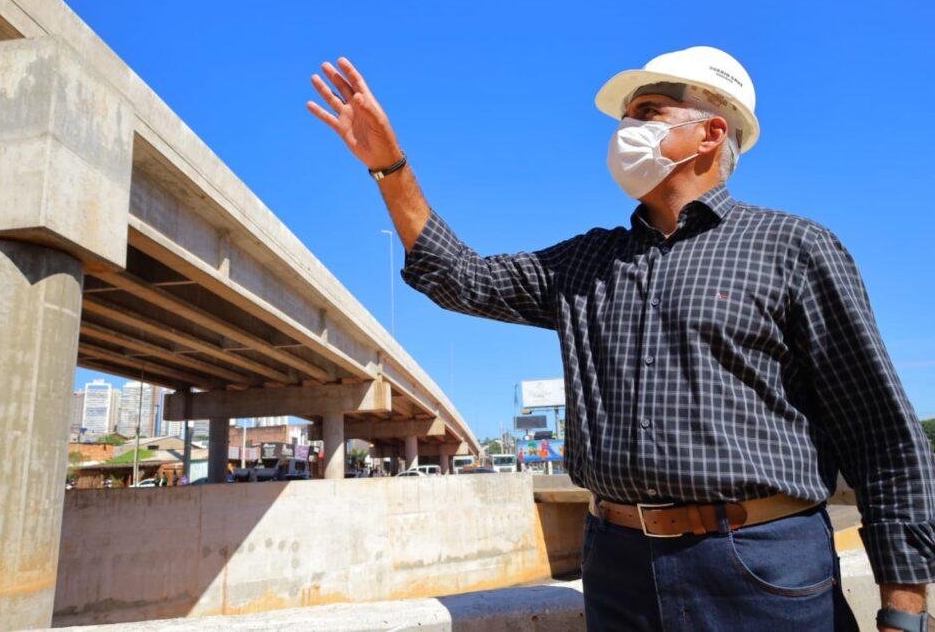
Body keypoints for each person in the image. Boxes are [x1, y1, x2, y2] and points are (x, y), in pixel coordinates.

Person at [307, 47, 935, 631]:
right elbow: (460, 278)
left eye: (648, 113)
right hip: (616, 565)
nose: (625, 131)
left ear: (711, 133)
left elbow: (880, 435)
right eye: (626, 118)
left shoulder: (793, 248)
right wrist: (389, 166)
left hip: (761, 566)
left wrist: (904, 612)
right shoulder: (588, 261)